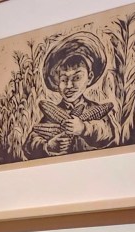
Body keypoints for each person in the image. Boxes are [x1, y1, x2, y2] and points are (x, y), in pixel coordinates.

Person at [23, 31, 114, 159]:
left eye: (76, 77)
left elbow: (108, 133)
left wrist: (83, 129)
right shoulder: (51, 115)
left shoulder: (95, 109)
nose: (69, 86)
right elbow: (29, 144)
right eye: (64, 80)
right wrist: (48, 146)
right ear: (57, 82)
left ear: (90, 78)